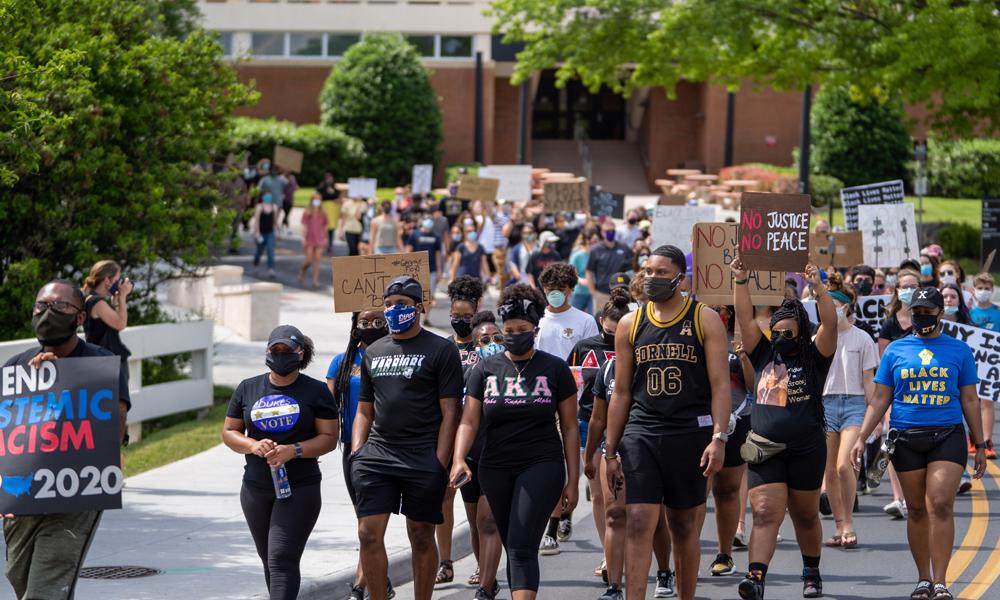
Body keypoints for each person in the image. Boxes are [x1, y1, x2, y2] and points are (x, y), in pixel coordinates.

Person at [604, 245, 730, 600]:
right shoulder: (631, 323)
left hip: (690, 431)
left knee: (683, 524)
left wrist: (719, 438)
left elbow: (721, 385)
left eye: (661, 272)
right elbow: (621, 393)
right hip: (642, 432)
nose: (652, 278)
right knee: (641, 519)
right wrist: (609, 449)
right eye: (647, 271)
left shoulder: (704, 318)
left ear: (680, 277)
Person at [851, 287, 987, 600]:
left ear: (941, 313)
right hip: (906, 438)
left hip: (947, 435)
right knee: (915, 510)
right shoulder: (896, 350)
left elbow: (969, 397)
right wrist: (862, 437)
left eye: (927, 312)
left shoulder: (959, 350)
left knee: (939, 503)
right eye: (917, 311)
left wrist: (979, 443)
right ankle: (923, 579)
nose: (921, 317)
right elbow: (881, 397)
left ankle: (941, 581)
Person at [450, 284, 581, 600]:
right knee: (512, 543)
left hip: (541, 464)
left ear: (535, 330)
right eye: (508, 330)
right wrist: (458, 458)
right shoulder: (485, 369)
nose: (513, 335)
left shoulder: (554, 368)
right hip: (495, 468)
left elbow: (569, 426)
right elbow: (469, 419)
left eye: (521, 330)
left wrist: (573, 480)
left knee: (521, 546)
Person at [2, 280, 130, 600]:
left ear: (80, 318)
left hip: (75, 492)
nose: (48, 313)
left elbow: (113, 422)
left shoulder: (98, 365)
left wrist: (61, 382)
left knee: (45, 589)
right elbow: (8, 433)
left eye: (60, 307)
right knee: (21, 579)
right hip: (24, 495)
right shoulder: (16, 367)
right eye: (41, 306)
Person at [729, 257, 837, 600]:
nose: (780, 338)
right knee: (764, 513)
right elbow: (744, 318)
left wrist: (818, 288)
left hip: (806, 449)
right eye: (776, 333)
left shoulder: (815, 355)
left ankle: (811, 571)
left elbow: (831, 325)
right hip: (765, 448)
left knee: (805, 516)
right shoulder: (763, 355)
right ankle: (755, 577)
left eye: (788, 334)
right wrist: (741, 280)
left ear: (802, 333)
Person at [350, 276, 463, 600]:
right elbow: (364, 411)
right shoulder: (374, 351)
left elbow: (451, 413)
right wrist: (358, 453)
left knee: (421, 535)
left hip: (423, 456)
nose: (393, 310)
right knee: (368, 534)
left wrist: (440, 463)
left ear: (419, 308)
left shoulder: (441, 349)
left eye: (401, 304)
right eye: (388, 304)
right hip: (379, 455)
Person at [223, 325, 338, 600]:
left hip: (299, 487)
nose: (281, 355)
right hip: (256, 487)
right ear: (267, 352)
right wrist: (253, 445)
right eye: (276, 349)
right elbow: (229, 432)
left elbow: (329, 438)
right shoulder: (248, 388)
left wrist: (294, 450)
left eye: (288, 350)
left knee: (281, 557)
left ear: (301, 354)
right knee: (270, 560)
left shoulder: (317, 391)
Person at [328, 311, 394, 600]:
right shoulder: (341, 363)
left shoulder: (395, 355)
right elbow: (327, 407)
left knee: (368, 524)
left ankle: (359, 585)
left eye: (378, 321)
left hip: (388, 446)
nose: (371, 327)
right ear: (354, 327)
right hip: (353, 449)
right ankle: (381, 580)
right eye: (364, 323)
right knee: (363, 521)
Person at [568, 284, 631, 581]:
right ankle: (609, 555)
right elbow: (572, 383)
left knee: (620, 496)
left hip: (625, 427)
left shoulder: (635, 349)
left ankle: (625, 549)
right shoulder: (585, 347)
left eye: (618, 333)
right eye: (608, 331)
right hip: (588, 423)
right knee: (598, 496)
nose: (612, 338)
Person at [819, 279, 877, 550]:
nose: (829, 309)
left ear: (846, 307)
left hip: (854, 404)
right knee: (829, 469)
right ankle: (839, 525)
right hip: (826, 404)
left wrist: (874, 418)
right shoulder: (817, 337)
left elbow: (869, 381)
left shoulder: (862, 338)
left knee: (845, 464)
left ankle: (850, 522)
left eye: (834, 305)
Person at [435, 276, 485, 585]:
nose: (460, 321)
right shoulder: (441, 348)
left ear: (477, 311)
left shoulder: (488, 347)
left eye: (467, 316)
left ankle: (482, 563)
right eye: (456, 316)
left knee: (474, 505)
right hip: (446, 433)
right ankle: (445, 561)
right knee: (443, 500)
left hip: (477, 436)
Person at [707, 309, 756, 578]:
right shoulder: (694, 336)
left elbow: (753, 384)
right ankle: (683, 555)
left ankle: (724, 554)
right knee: (694, 494)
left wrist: (744, 356)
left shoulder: (743, 338)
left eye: (725, 310)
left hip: (738, 420)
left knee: (726, 490)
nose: (719, 314)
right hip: (700, 422)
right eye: (715, 309)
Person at [879, 268, 921, 518]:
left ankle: (914, 495)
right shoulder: (889, 324)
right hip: (897, 392)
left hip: (922, 392)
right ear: (897, 290)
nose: (909, 290)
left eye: (914, 285)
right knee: (893, 440)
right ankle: (898, 498)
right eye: (905, 286)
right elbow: (884, 362)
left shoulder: (925, 319)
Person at [81, 260, 133, 373]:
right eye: (116, 280)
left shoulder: (90, 299)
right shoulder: (98, 303)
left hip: (101, 360)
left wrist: (116, 301)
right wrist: (123, 296)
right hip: (108, 362)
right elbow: (121, 324)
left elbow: (110, 326)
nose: (119, 283)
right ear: (106, 280)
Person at [587, 220, 633, 315]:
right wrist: (593, 291)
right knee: (601, 319)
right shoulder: (596, 250)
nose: (610, 233)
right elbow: (589, 271)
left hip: (621, 293)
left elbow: (634, 264)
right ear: (602, 233)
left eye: (612, 231)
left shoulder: (623, 247)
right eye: (607, 231)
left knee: (622, 317)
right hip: (602, 293)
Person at [406, 218, 444, 307]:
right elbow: (408, 250)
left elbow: (438, 254)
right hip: (416, 269)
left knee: (428, 295)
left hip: (431, 268)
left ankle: (425, 319)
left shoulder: (436, 236)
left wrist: (439, 270)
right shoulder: (415, 234)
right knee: (415, 294)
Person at [299, 194, 329, 288]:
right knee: (308, 260)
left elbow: (325, 227)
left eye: (319, 199)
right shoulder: (307, 212)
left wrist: (326, 238)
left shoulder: (323, 212)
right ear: (312, 201)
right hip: (309, 238)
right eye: (315, 199)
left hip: (319, 238)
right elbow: (305, 226)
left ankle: (315, 280)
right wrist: (304, 238)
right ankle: (302, 271)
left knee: (317, 259)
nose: (317, 201)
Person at [569, 228, 599, 313]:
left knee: (593, 317)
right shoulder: (577, 256)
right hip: (579, 292)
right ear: (587, 240)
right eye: (594, 240)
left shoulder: (599, 254)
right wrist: (584, 281)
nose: (595, 243)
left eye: (597, 240)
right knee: (574, 316)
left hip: (594, 293)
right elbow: (571, 274)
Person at [253, 193, 279, 278]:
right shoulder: (259, 207)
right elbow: (257, 221)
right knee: (259, 252)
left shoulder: (274, 207)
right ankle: (256, 263)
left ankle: (271, 269)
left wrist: (278, 231)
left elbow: (275, 221)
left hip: (270, 232)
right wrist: (257, 232)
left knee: (270, 250)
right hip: (261, 233)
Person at [318, 173, 343, 253]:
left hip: (332, 211)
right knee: (323, 228)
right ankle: (322, 243)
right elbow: (318, 197)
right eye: (328, 179)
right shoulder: (321, 188)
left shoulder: (335, 189)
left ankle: (330, 245)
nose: (330, 180)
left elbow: (338, 196)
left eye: (331, 179)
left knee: (331, 228)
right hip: (324, 209)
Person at [280, 168, 298, 233]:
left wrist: (296, 187)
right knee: (286, 213)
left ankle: (283, 226)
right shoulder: (281, 178)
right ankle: (286, 227)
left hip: (290, 198)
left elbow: (295, 186)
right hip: (283, 198)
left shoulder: (293, 177)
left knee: (287, 214)